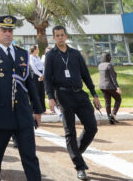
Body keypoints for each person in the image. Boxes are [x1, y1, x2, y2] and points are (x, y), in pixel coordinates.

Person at [0, 15, 43, 181]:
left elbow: (30, 84)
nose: (7, 33)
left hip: (23, 114)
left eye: (10, 30)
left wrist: (37, 109)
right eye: (4, 30)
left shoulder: (22, 54)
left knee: (30, 157)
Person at [44, 25, 101, 181]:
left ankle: (76, 152)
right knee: (70, 131)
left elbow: (86, 75)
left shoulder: (75, 54)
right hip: (62, 95)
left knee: (92, 127)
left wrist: (94, 94)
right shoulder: (51, 56)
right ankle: (79, 166)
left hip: (80, 95)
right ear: (54, 38)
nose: (60, 37)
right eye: (57, 35)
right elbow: (47, 78)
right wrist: (50, 97)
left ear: (66, 36)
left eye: (62, 35)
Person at [98, 52, 121, 124]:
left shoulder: (100, 65)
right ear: (109, 58)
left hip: (102, 86)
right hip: (110, 86)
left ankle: (109, 118)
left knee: (107, 102)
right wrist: (117, 87)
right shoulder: (109, 65)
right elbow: (113, 77)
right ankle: (113, 115)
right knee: (118, 99)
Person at [28, 45, 46, 113]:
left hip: (41, 75)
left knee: (42, 92)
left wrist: (43, 74)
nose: (38, 50)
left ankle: (42, 108)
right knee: (36, 92)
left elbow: (42, 66)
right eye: (37, 49)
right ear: (34, 50)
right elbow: (33, 68)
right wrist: (40, 75)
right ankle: (36, 109)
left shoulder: (38, 56)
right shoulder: (31, 57)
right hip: (35, 76)